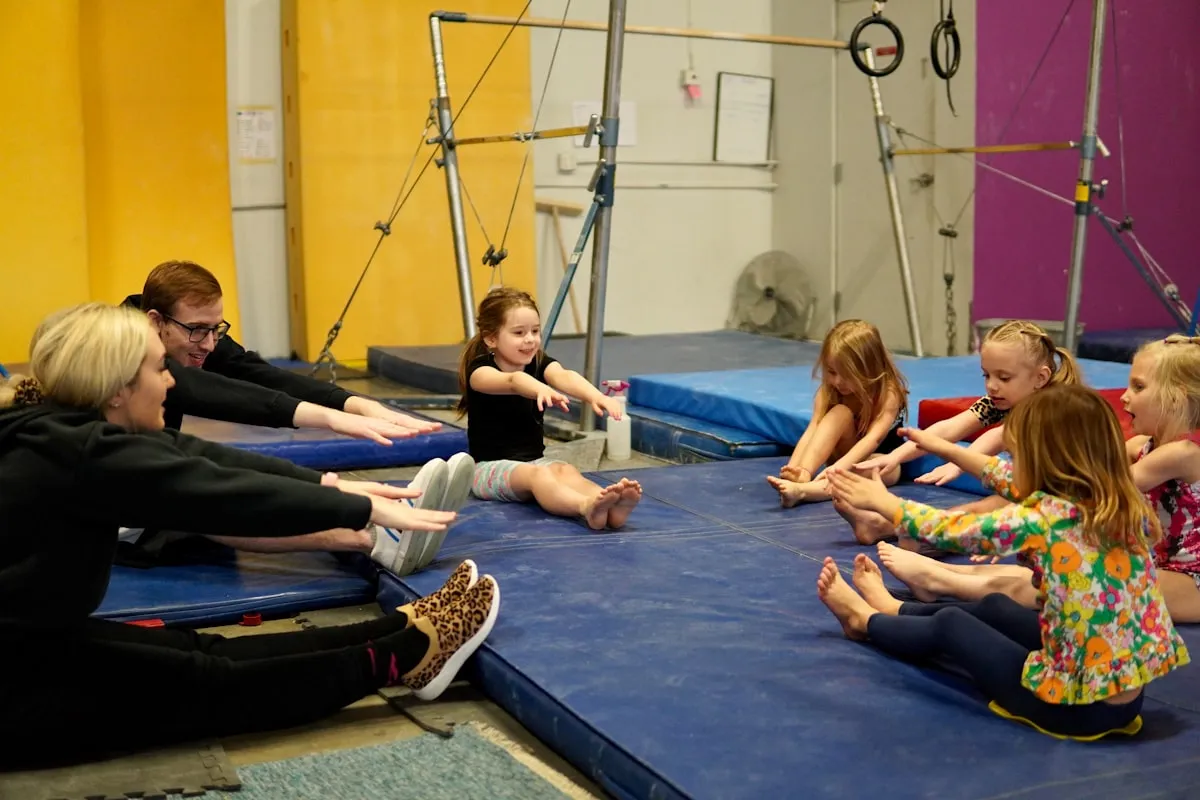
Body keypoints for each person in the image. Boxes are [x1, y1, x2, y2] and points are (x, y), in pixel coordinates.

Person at [0, 302, 500, 768]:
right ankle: (406, 655)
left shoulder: (57, 431)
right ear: (115, 390)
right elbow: (219, 493)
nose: (172, 381)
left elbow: (198, 456)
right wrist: (357, 508)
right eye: (159, 369)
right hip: (16, 687)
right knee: (210, 684)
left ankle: (397, 627)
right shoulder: (81, 453)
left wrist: (325, 484)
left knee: (195, 652)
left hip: (34, 645)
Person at [817, 384, 1189, 740]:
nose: (1011, 464)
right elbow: (1012, 480)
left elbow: (956, 531)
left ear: (1044, 462)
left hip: (1075, 709)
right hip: (1121, 695)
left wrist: (885, 503)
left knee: (952, 624)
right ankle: (896, 608)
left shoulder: (1046, 519)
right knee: (995, 606)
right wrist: (942, 446)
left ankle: (863, 621)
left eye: (1017, 455)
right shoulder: (1113, 499)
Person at [875, 333, 1200, 622]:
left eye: (1139, 387)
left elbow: (1083, 494)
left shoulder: (1181, 454)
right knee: (1044, 571)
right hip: (1165, 566)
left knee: (1061, 586)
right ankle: (939, 572)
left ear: (1177, 397)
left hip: (1192, 581)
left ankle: (939, 580)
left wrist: (1017, 522)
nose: (1125, 397)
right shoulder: (1144, 447)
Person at [124, 259, 441, 438]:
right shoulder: (125, 352)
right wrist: (329, 419)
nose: (208, 343)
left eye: (215, 329)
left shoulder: (182, 327)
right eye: (198, 331)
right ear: (155, 321)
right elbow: (207, 391)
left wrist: (356, 404)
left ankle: (372, 525)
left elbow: (260, 376)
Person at [842, 319, 1081, 545]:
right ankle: (888, 526)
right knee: (986, 508)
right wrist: (894, 457)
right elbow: (948, 429)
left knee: (983, 512)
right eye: (987, 375)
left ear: (1040, 377)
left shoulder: (1051, 412)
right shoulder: (1002, 401)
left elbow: (998, 436)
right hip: (1028, 491)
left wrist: (958, 461)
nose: (992, 385)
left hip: (1064, 506)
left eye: (1004, 377)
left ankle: (900, 527)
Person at [458, 287, 641, 530]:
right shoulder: (480, 371)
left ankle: (609, 503)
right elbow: (513, 381)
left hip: (535, 460)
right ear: (491, 338)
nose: (530, 339)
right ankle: (585, 506)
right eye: (519, 332)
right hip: (487, 470)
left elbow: (565, 376)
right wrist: (539, 389)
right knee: (540, 477)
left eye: (535, 331)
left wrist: (597, 397)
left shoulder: (537, 362)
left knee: (565, 470)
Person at [765, 319, 908, 509]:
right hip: (840, 458)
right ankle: (803, 481)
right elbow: (813, 430)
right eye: (832, 372)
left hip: (875, 460)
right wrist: (797, 469)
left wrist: (839, 468)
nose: (838, 382)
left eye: (847, 375)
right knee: (839, 412)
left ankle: (806, 492)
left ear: (869, 369)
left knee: (885, 469)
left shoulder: (887, 394)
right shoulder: (829, 391)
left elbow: (872, 439)